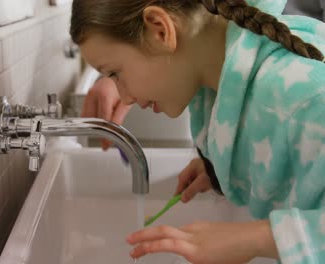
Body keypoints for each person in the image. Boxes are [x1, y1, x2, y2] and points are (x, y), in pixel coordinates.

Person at [70, 0, 325, 263]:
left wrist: (254, 239)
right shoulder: (220, 79)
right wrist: (230, 165)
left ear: (160, 30)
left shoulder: (303, 99)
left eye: (114, 73)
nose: (124, 96)